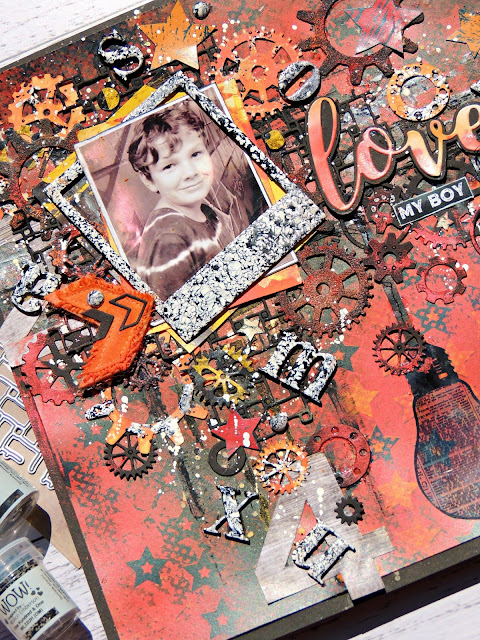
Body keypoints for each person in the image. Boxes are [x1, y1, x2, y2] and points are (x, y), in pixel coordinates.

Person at [128, 103, 250, 299]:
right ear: (149, 180)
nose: (190, 173)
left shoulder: (206, 212)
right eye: (169, 166)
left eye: (195, 154)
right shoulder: (168, 240)